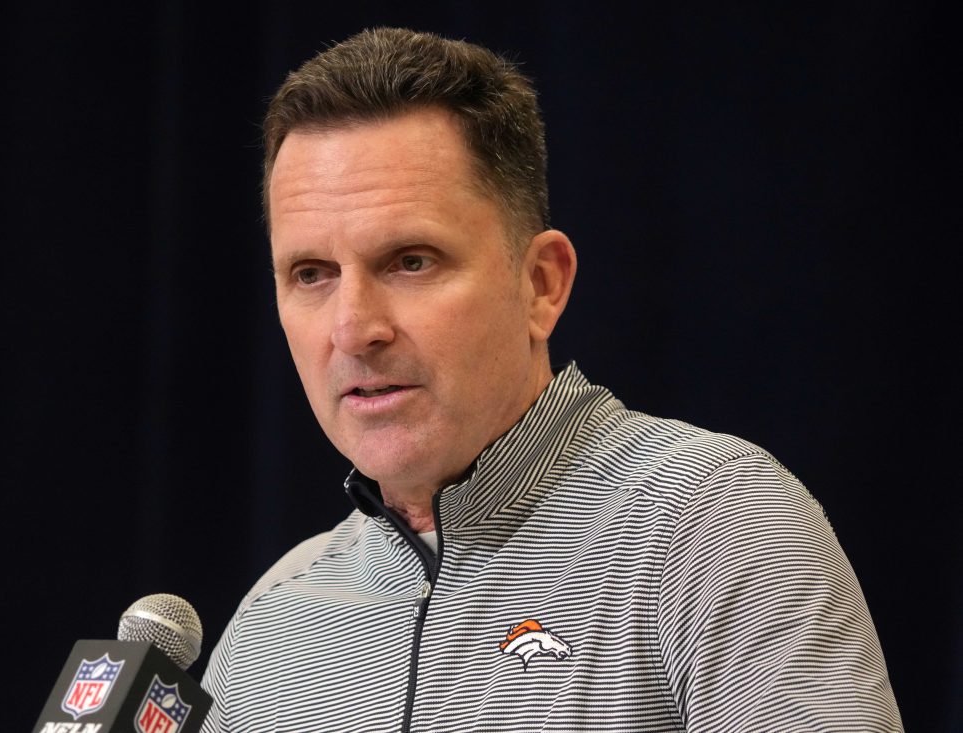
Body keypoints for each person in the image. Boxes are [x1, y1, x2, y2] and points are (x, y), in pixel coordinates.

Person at [200, 27, 902, 732]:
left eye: (410, 261)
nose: (354, 328)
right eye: (311, 275)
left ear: (541, 283)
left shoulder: (707, 522)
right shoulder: (269, 623)